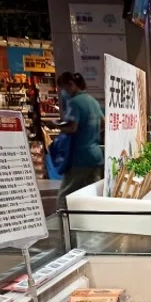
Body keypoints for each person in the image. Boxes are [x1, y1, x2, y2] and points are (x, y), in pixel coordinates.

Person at [56, 71, 104, 211]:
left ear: (71, 85)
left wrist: (56, 125)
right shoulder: (92, 101)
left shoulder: (75, 102)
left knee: (65, 196)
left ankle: (63, 227)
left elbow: (72, 127)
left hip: (80, 158)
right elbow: (103, 123)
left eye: (63, 88)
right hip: (95, 157)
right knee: (92, 196)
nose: (63, 93)